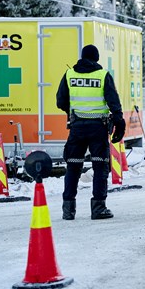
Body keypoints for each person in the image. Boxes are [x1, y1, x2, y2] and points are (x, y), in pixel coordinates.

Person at [56, 44, 126, 220]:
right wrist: (119, 122)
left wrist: (73, 111)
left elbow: (60, 100)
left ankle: (68, 210)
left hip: (77, 127)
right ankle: (98, 208)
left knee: (73, 166)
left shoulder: (69, 74)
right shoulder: (103, 75)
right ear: (96, 58)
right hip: (98, 128)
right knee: (100, 167)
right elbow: (113, 102)